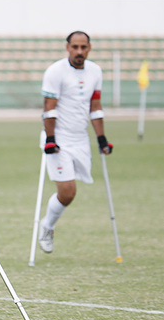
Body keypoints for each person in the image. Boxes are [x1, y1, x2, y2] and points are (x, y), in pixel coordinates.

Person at [38, 31, 114, 253]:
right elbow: (49, 109)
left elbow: (95, 106)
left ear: (89, 48)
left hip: (80, 138)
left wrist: (101, 139)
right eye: (75, 47)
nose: (79, 52)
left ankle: (48, 224)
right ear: (67, 47)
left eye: (83, 47)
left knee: (72, 191)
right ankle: (47, 226)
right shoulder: (55, 71)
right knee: (68, 192)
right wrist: (51, 139)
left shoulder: (95, 71)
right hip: (58, 138)